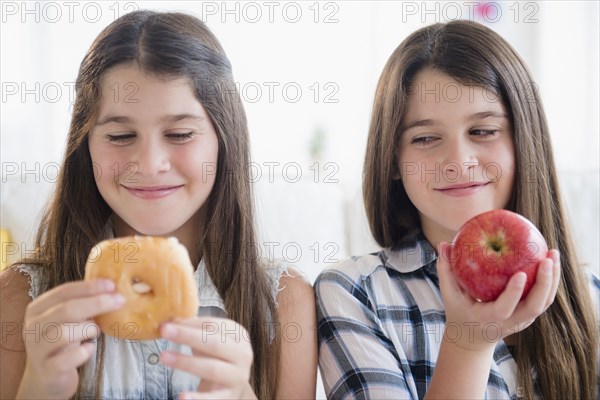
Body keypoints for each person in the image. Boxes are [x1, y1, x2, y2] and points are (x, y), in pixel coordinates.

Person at [0, 10, 317, 400]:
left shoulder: (285, 303)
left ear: (224, 139)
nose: (149, 164)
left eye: (180, 133)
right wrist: (38, 389)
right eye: (119, 135)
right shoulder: (23, 298)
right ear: (85, 146)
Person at [315, 20, 599, 400]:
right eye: (426, 138)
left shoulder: (590, 297)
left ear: (523, 143)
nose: (458, 161)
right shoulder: (355, 293)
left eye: (483, 131)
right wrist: (469, 344)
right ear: (393, 160)